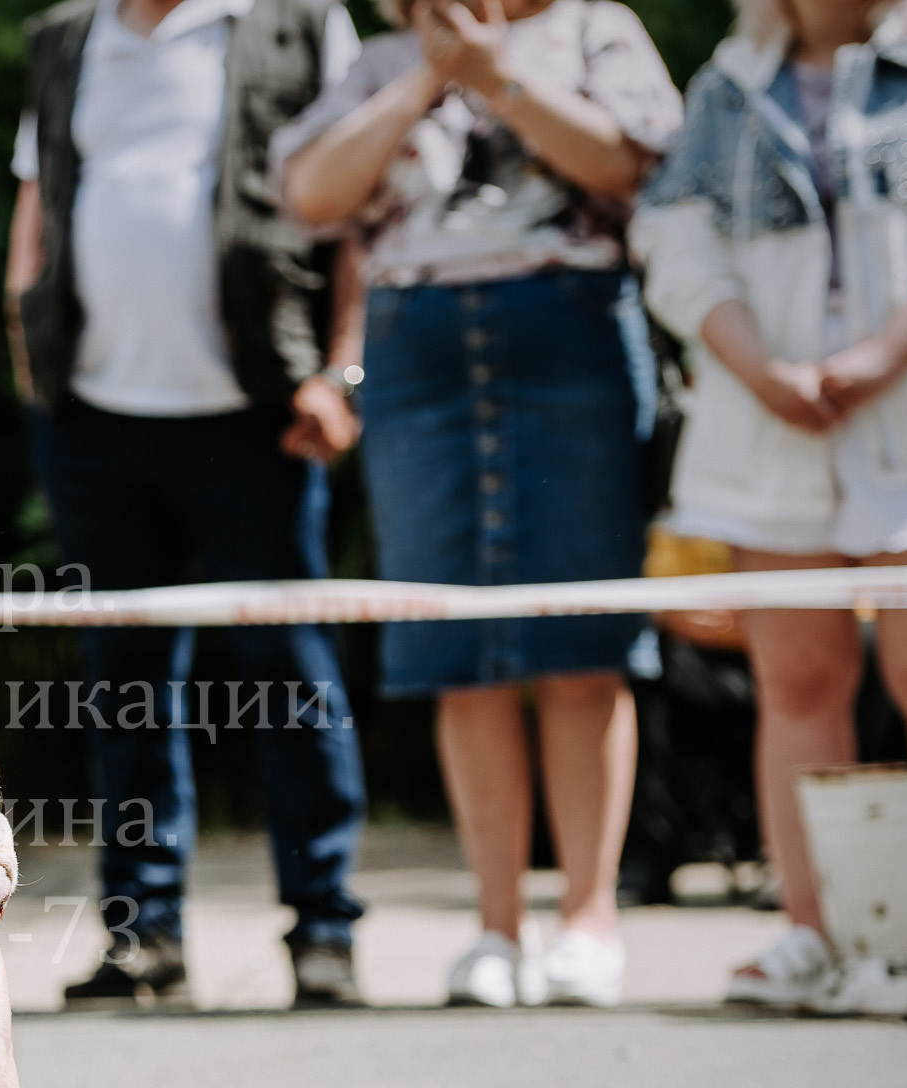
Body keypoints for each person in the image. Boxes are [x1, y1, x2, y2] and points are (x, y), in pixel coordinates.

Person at [631, 0, 907, 1008]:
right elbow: (674, 235)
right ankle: (811, 932)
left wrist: (880, 358)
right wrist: (759, 366)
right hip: (769, 430)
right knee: (797, 680)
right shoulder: (730, 79)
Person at [278, 0, 682, 1008]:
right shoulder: (377, 61)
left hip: (570, 333)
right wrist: (427, 75)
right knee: (454, 646)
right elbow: (309, 193)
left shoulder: (595, 29)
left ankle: (586, 917)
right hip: (416, 353)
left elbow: (631, 167)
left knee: (582, 638)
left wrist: (495, 74)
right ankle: (494, 926)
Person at [9, 0, 375, 1012]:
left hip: (256, 413)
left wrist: (340, 372)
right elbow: (37, 201)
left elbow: (350, 209)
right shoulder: (65, 38)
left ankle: (324, 928)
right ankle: (143, 936)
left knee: (290, 678)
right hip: (89, 413)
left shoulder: (298, 24)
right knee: (122, 683)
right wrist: (30, 359)